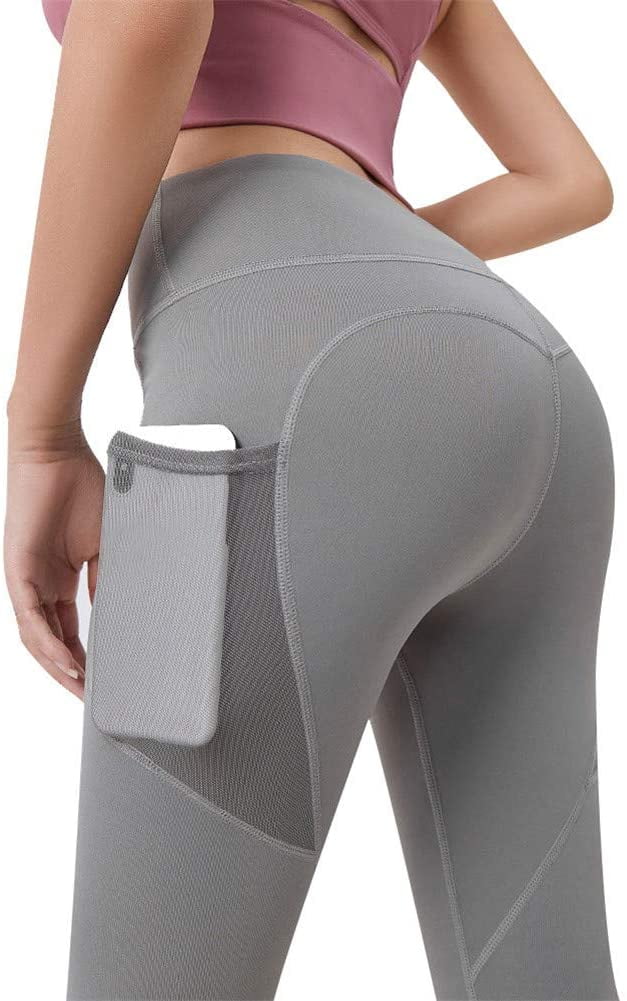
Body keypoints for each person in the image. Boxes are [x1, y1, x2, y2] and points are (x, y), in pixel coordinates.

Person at [4, 2, 619, 999]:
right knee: (538, 975)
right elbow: (573, 180)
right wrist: (386, 268)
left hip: (260, 398)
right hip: (533, 384)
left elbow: (148, 14)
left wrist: (39, 428)